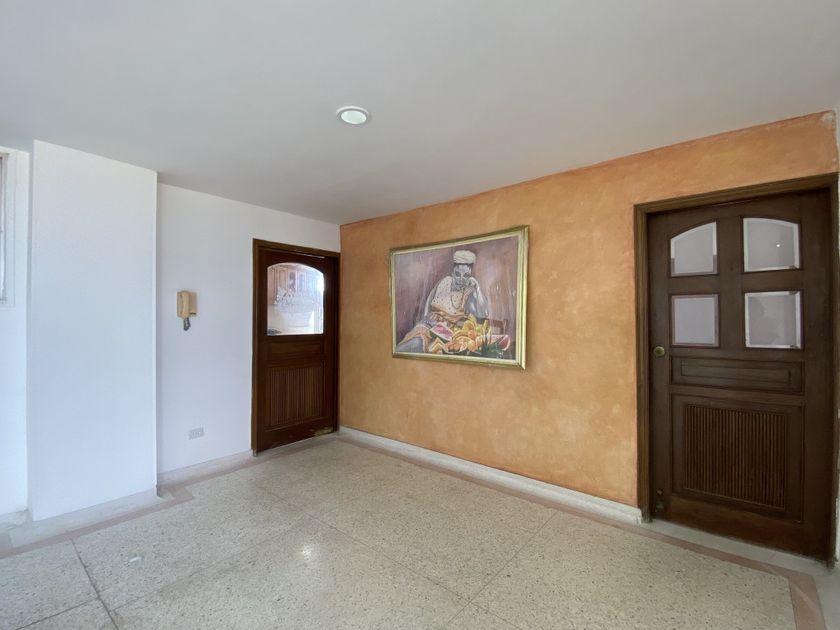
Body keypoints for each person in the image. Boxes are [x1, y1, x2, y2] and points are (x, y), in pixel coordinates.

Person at [396, 249, 489, 353]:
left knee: (418, 344)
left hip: (448, 334)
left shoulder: (469, 292)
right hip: (427, 324)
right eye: (458, 274)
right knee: (414, 342)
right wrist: (424, 323)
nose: (461, 279)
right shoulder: (444, 282)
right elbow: (428, 305)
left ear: (470, 276)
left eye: (466, 275)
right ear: (453, 272)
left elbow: (483, 314)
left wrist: (478, 288)